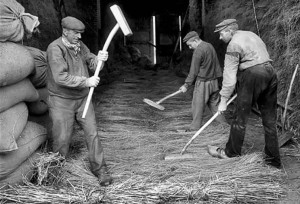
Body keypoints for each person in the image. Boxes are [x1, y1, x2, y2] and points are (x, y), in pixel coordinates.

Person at [46, 16, 113, 186]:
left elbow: (91, 63)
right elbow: (60, 77)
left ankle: (100, 169)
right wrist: (86, 82)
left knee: (92, 133)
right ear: (65, 31)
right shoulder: (55, 49)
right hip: (61, 101)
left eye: (81, 33)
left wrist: (99, 60)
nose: (79, 37)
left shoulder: (79, 46)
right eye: (76, 33)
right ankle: (56, 172)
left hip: (83, 98)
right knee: (62, 138)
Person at [207, 19, 281, 168]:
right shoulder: (252, 35)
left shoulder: (233, 45)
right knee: (269, 120)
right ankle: (273, 160)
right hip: (271, 73)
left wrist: (223, 101)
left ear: (229, 31)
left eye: (221, 34)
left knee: (240, 116)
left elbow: (229, 77)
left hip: (253, 74)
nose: (220, 38)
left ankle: (230, 153)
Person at [178, 31, 227, 132]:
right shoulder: (210, 46)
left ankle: (194, 128)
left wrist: (186, 85)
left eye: (190, 45)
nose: (189, 48)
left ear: (195, 40)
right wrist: (218, 78)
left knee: (197, 106)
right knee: (215, 105)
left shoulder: (198, 51)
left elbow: (193, 70)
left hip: (203, 83)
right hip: (214, 82)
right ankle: (225, 127)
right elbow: (216, 63)